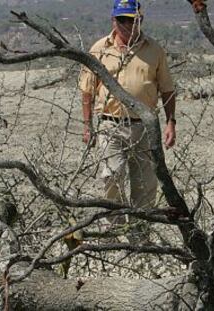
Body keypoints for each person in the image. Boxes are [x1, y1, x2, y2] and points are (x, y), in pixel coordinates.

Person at [79, 0, 177, 224]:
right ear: (113, 20)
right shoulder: (99, 49)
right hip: (109, 125)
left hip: (145, 126)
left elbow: (167, 89)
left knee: (145, 183)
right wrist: (87, 126)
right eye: (121, 19)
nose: (126, 25)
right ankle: (115, 230)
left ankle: (140, 233)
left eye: (131, 20)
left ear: (140, 20)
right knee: (111, 177)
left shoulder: (154, 50)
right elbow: (87, 91)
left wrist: (171, 122)